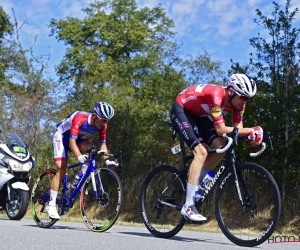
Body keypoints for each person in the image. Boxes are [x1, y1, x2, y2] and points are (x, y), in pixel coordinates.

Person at [170, 74, 263, 221]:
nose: (245, 101)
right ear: (231, 91)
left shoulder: (239, 104)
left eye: (248, 99)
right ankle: (188, 205)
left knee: (222, 147)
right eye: (243, 97)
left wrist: (252, 137)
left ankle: (196, 183)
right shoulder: (216, 95)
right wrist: (253, 129)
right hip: (181, 109)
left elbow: (237, 129)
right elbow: (220, 129)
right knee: (201, 152)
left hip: (198, 116)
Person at [46, 101, 119, 220]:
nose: (104, 123)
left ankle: (79, 178)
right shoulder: (80, 117)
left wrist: (107, 161)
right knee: (62, 168)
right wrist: (79, 155)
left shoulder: (103, 126)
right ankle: (51, 204)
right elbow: (71, 142)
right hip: (61, 137)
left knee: (93, 149)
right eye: (103, 120)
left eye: (107, 121)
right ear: (95, 116)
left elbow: (103, 145)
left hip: (77, 139)